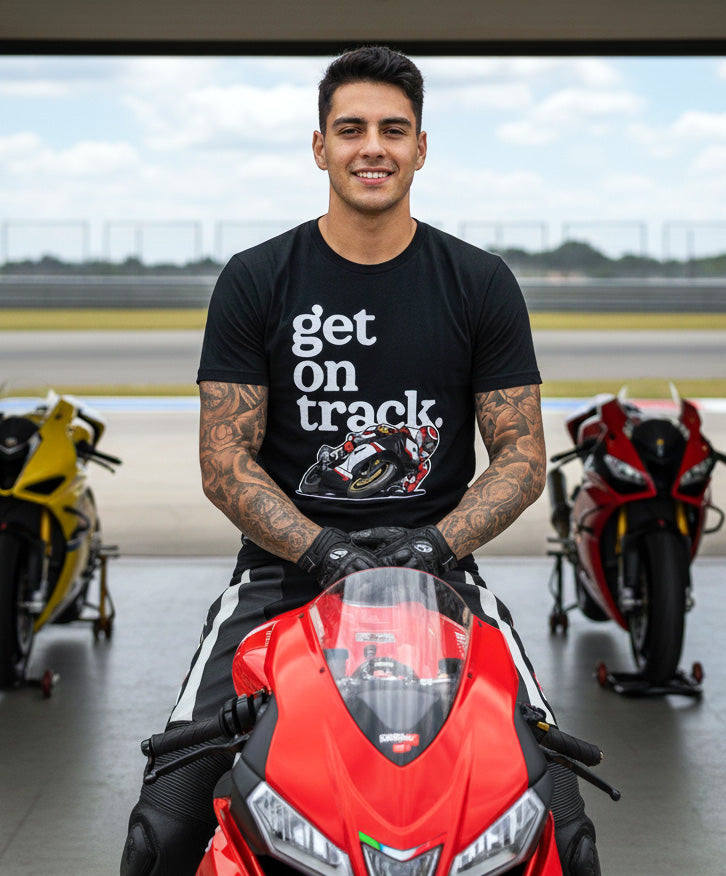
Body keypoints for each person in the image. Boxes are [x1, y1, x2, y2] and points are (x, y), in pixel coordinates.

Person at [121, 45, 600, 876]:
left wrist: (435, 547)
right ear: (319, 147)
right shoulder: (257, 279)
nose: (371, 147)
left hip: (441, 575)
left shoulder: (479, 282)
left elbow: (522, 454)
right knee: (164, 820)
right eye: (351, 129)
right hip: (279, 575)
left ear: (420, 147)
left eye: (392, 129)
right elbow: (224, 458)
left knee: (561, 813)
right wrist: (320, 550)